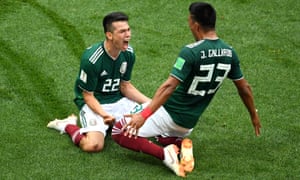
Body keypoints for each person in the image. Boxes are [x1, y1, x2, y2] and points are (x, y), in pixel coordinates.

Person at [111, 2, 261, 177]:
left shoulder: (191, 52)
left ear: (195, 24)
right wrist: (253, 115)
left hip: (169, 114)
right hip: (189, 122)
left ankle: (165, 155)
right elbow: (244, 88)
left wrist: (143, 116)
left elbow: (168, 87)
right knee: (160, 136)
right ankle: (177, 142)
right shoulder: (230, 52)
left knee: (120, 130)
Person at [47, 12, 150, 153]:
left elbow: (125, 86)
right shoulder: (92, 59)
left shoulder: (129, 53)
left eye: (128, 29)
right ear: (109, 35)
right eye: (122, 31)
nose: (128, 35)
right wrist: (104, 114)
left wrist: (151, 104)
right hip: (95, 104)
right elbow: (87, 95)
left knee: (153, 122)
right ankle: (68, 125)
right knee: (93, 146)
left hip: (119, 101)